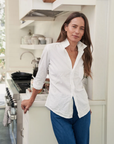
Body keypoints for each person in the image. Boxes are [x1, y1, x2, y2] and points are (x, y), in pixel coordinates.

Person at [21, 12, 93, 144]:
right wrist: (31, 100)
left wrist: (84, 104)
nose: (77, 31)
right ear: (66, 27)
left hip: (82, 111)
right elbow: (40, 77)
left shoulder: (84, 51)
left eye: (81, 28)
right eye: (74, 26)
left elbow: (78, 82)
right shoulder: (51, 49)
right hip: (60, 110)